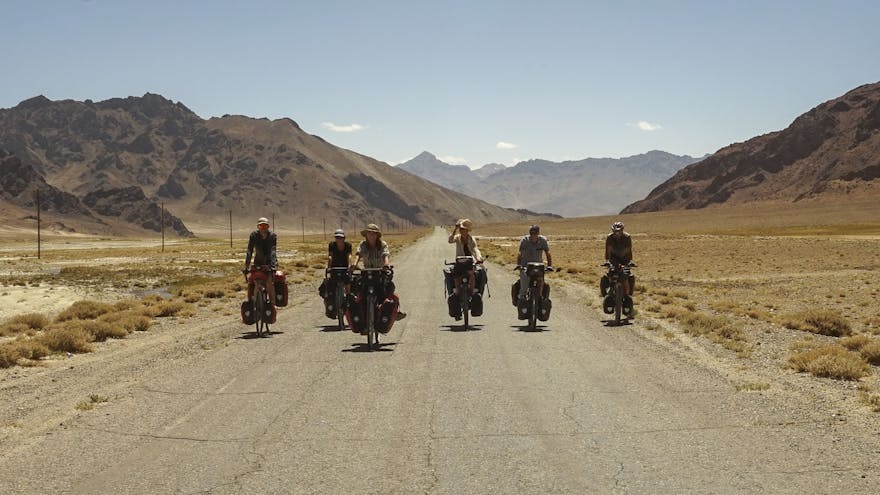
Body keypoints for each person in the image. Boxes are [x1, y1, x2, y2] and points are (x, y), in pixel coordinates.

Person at [351, 223, 407, 320]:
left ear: (377, 235)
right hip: (367, 272)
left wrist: (386, 264)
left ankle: (394, 311)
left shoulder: (382, 244)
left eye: (373, 233)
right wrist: (354, 264)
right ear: (366, 235)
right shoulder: (363, 244)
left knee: (389, 287)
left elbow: (385, 255)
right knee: (359, 289)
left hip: (380, 272)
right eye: (369, 233)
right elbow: (358, 254)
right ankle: (359, 313)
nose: (371, 235)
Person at [243, 217, 277, 309]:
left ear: (268, 226)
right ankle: (255, 305)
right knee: (256, 282)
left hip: (270, 262)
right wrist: (246, 265)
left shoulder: (272, 236)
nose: (263, 228)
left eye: (265, 226)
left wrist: (272, 266)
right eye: (261, 226)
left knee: (269, 281)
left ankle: (273, 305)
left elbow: (273, 251)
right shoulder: (254, 235)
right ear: (258, 227)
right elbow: (249, 250)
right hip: (258, 262)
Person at [515, 224, 553, 302]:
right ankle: (522, 305)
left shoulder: (542, 240)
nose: (533, 235)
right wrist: (519, 265)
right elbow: (520, 253)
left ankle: (540, 301)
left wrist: (549, 265)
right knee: (524, 288)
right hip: (526, 266)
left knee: (541, 285)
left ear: (538, 233)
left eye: (535, 233)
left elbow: (547, 252)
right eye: (531, 233)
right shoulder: (525, 240)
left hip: (538, 266)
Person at [447, 218, 483, 296]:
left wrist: (479, 258)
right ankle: (458, 293)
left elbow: (475, 249)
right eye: (460, 229)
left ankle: (471, 293)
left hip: (469, 262)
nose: (461, 230)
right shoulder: (457, 237)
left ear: (467, 230)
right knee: (457, 276)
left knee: (472, 275)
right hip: (459, 262)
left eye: (462, 229)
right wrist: (455, 229)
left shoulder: (471, 239)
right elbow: (450, 240)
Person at [602, 221, 634, 296]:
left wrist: (630, 261)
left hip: (625, 258)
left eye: (619, 231)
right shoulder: (609, 237)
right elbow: (608, 250)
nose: (617, 233)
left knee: (626, 276)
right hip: (614, 259)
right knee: (611, 274)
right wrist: (607, 261)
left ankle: (627, 295)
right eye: (615, 231)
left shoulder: (627, 237)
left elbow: (629, 250)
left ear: (622, 230)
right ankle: (610, 291)